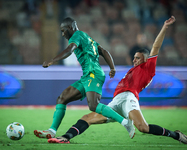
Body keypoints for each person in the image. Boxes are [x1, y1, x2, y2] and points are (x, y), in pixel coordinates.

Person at [47, 16, 187, 145]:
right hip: (116, 101)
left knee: (143, 127)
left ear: (146, 59)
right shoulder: (132, 70)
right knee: (88, 117)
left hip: (129, 98)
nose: (134, 60)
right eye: (134, 57)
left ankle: (176, 135)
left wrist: (164, 27)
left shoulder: (148, 68)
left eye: (138, 58)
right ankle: (66, 137)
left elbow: (156, 46)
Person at [34, 17, 135, 139]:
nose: (62, 34)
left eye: (63, 30)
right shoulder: (86, 37)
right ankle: (52, 131)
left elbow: (69, 50)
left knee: (93, 105)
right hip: (88, 76)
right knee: (62, 98)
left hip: (93, 74)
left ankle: (126, 122)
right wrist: (112, 68)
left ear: (70, 28)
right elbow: (103, 51)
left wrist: (52, 60)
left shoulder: (76, 35)